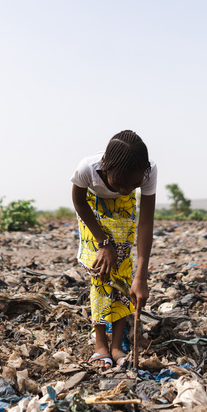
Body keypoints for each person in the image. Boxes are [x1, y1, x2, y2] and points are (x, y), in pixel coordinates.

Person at [71, 130, 157, 368]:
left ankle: (117, 345)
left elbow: (146, 222)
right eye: (118, 183)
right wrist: (103, 242)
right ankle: (100, 343)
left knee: (123, 268)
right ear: (106, 168)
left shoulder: (146, 172)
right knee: (99, 270)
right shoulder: (87, 168)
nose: (127, 189)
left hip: (123, 210)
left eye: (135, 184)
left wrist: (142, 274)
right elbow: (78, 202)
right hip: (91, 209)